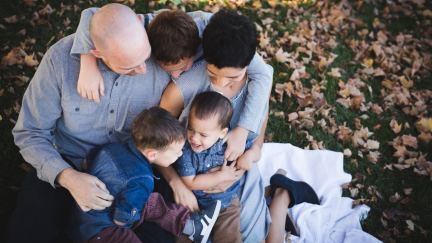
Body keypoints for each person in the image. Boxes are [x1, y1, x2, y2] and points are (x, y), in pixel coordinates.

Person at [8, 4, 173, 243]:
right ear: (96, 53)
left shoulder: (159, 39)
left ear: (140, 21)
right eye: (129, 67)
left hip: (135, 169)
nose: (144, 69)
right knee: (29, 232)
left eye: (145, 57)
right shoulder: (60, 60)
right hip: (71, 162)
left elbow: (215, 26)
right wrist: (68, 178)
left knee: (161, 236)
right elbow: (30, 132)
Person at [160, 10, 274, 242]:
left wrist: (255, 150)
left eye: (232, 78)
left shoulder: (256, 81)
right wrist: (177, 184)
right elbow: (156, 139)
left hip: (235, 181)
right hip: (188, 178)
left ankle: (281, 195)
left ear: (248, 65)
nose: (221, 84)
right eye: (212, 74)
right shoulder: (183, 89)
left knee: (251, 237)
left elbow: (262, 115)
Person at [70, 107, 221, 243]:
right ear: (152, 154)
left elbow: (88, 161)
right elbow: (122, 219)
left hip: (82, 216)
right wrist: (135, 218)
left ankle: (192, 227)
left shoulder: (111, 148)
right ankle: (191, 227)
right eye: (176, 152)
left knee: (150, 201)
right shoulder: (142, 179)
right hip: (103, 231)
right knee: (148, 203)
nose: (180, 155)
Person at [176, 92, 245, 243]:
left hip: (225, 203)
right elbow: (191, 182)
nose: (194, 138)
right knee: (184, 235)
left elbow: (243, 160)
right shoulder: (185, 150)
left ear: (222, 133)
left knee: (229, 237)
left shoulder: (228, 145)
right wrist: (221, 176)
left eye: (203, 135)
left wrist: (242, 165)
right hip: (195, 205)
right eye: (191, 129)